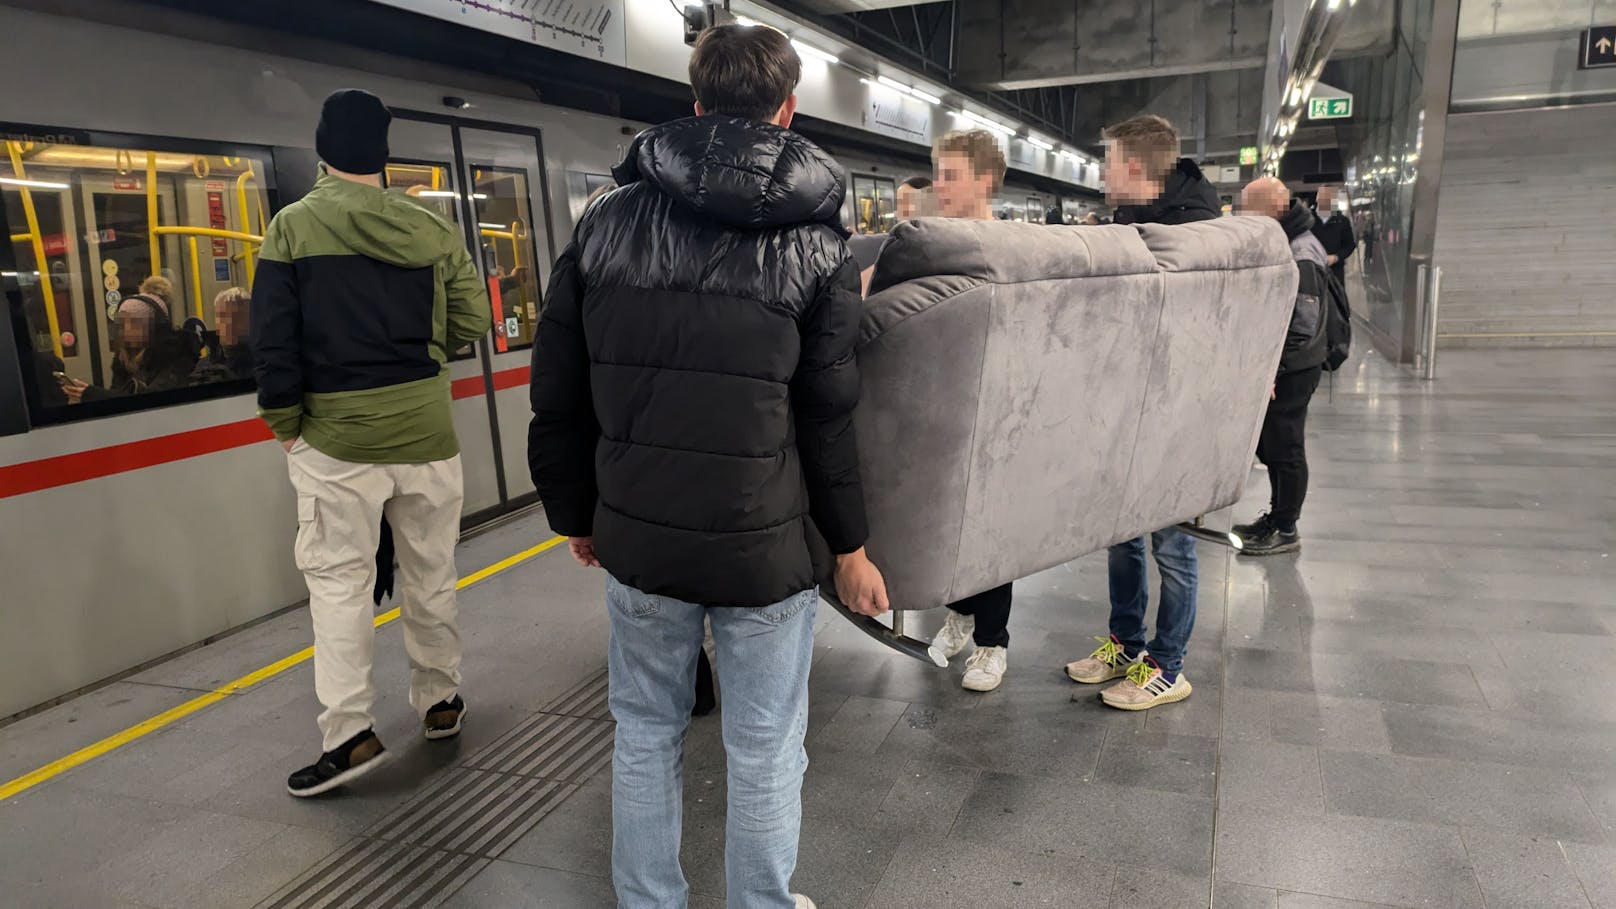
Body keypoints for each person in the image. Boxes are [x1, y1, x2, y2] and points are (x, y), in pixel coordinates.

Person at [527, 25, 887, 909]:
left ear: (695, 103)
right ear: (787, 108)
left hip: (640, 534)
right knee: (765, 742)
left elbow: (558, 387)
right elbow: (828, 414)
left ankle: (649, 901)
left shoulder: (603, 223)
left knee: (645, 732)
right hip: (765, 546)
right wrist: (851, 544)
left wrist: (577, 512)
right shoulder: (820, 240)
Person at [253, 88, 492, 798]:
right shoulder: (431, 226)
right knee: (431, 571)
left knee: (339, 584)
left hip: (336, 440)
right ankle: (441, 701)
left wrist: (286, 427)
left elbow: (273, 343)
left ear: (323, 151)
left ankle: (351, 733)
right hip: (427, 435)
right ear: (383, 157)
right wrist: (423, 355)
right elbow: (472, 317)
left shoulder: (291, 229)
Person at [1065, 114, 1217, 711]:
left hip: (1179, 410)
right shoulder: (1133, 222)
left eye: (1107, 162)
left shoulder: (1197, 231)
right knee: (1121, 537)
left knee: (1173, 545)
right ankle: (1126, 645)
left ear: (1132, 167)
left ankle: (1168, 665)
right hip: (1128, 403)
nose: (1102, 174)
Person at [921, 129, 1017, 694]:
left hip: (999, 406)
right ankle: (960, 611)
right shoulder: (934, 239)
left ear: (984, 179)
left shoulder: (1010, 244)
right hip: (947, 404)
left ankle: (993, 643)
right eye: (938, 173)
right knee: (951, 523)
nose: (939, 185)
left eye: (951, 175)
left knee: (993, 530)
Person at [1232, 176, 1331, 555]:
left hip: (1293, 368)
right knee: (1273, 444)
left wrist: (1271, 370)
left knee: (1286, 447)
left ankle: (1286, 528)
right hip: (1286, 366)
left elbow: (1301, 326)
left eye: (1248, 208)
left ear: (1272, 207)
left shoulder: (1300, 252)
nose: (1243, 215)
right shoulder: (1287, 240)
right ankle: (1277, 517)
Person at [64, 276, 194, 402]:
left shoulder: (177, 354)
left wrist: (94, 394)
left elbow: (150, 401)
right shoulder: (123, 357)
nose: (126, 330)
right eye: (122, 323)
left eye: (134, 323)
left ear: (154, 328)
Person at [190, 286, 254, 384]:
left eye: (235, 318)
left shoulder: (265, 362)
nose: (228, 324)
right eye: (223, 318)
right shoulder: (204, 366)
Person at [1311, 185, 1357, 288]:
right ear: (1317, 198)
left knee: (1336, 300)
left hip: (1335, 272)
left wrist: (1336, 257)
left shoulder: (1342, 221)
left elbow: (1350, 245)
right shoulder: (1308, 220)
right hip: (1312, 271)